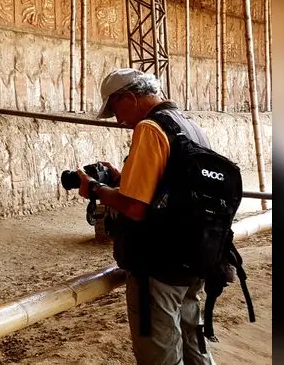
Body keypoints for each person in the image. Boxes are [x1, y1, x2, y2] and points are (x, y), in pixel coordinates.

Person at [76, 68, 215, 365]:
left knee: (160, 355)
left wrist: (96, 189)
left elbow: (135, 207)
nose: (119, 119)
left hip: (158, 264)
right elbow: (166, 188)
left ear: (128, 97)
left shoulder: (150, 128)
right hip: (194, 257)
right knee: (193, 343)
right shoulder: (186, 124)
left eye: (115, 108)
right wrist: (119, 177)